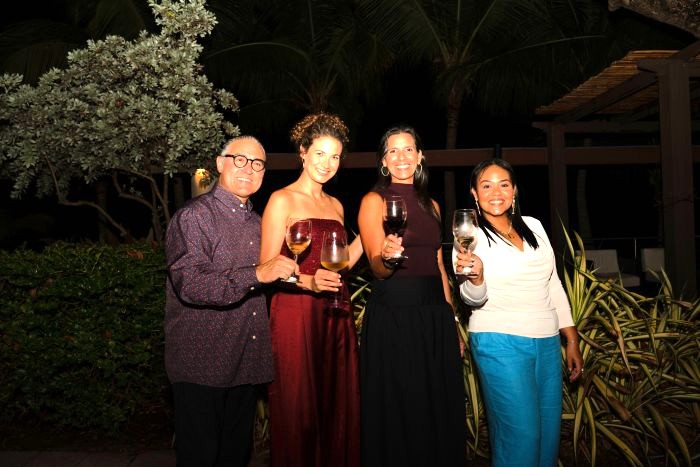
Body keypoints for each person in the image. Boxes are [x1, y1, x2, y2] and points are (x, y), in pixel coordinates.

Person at [164, 136, 297, 467]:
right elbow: (191, 284)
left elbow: (273, 277)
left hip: (245, 363)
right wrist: (257, 273)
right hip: (201, 363)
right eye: (240, 160)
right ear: (220, 164)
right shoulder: (194, 217)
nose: (248, 169)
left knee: (236, 457)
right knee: (200, 458)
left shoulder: (259, 223)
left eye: (257, 164)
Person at [455, 157, 584, 467]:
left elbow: (553, 283)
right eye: (486, 185)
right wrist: (477, 279)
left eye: (504, 184)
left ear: (514, 191)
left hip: (547, 341)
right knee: (521, 438)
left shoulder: (534, 226)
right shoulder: (469, 236)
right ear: (474, 193)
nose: (496, 192)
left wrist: (571, 338)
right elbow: (471, 299)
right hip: (499, 342)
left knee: (547, 436)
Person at [357, 124, 469, 467]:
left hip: (433, 315)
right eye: (392, 150)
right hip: (395, 314)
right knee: (401, 405)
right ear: (383, 161)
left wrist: (451, 320)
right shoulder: (373, 201)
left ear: (420, 156)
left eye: (408, 149)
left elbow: (438, 264)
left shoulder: (432, 205)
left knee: (436, 403)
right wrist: (388, 257)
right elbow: (377, 268)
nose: (401, 156)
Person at [260, 112, 364, 467]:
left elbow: (342, 262)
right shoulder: (281, 199)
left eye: (335, 156)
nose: (327, 163)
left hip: (336, 310)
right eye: (320, 153)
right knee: (299, 407)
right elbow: (267, 268)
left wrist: (371, 234)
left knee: (335, 402)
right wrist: (309, 282)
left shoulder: (335, 205)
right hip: (295, 313)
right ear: (303, 152)